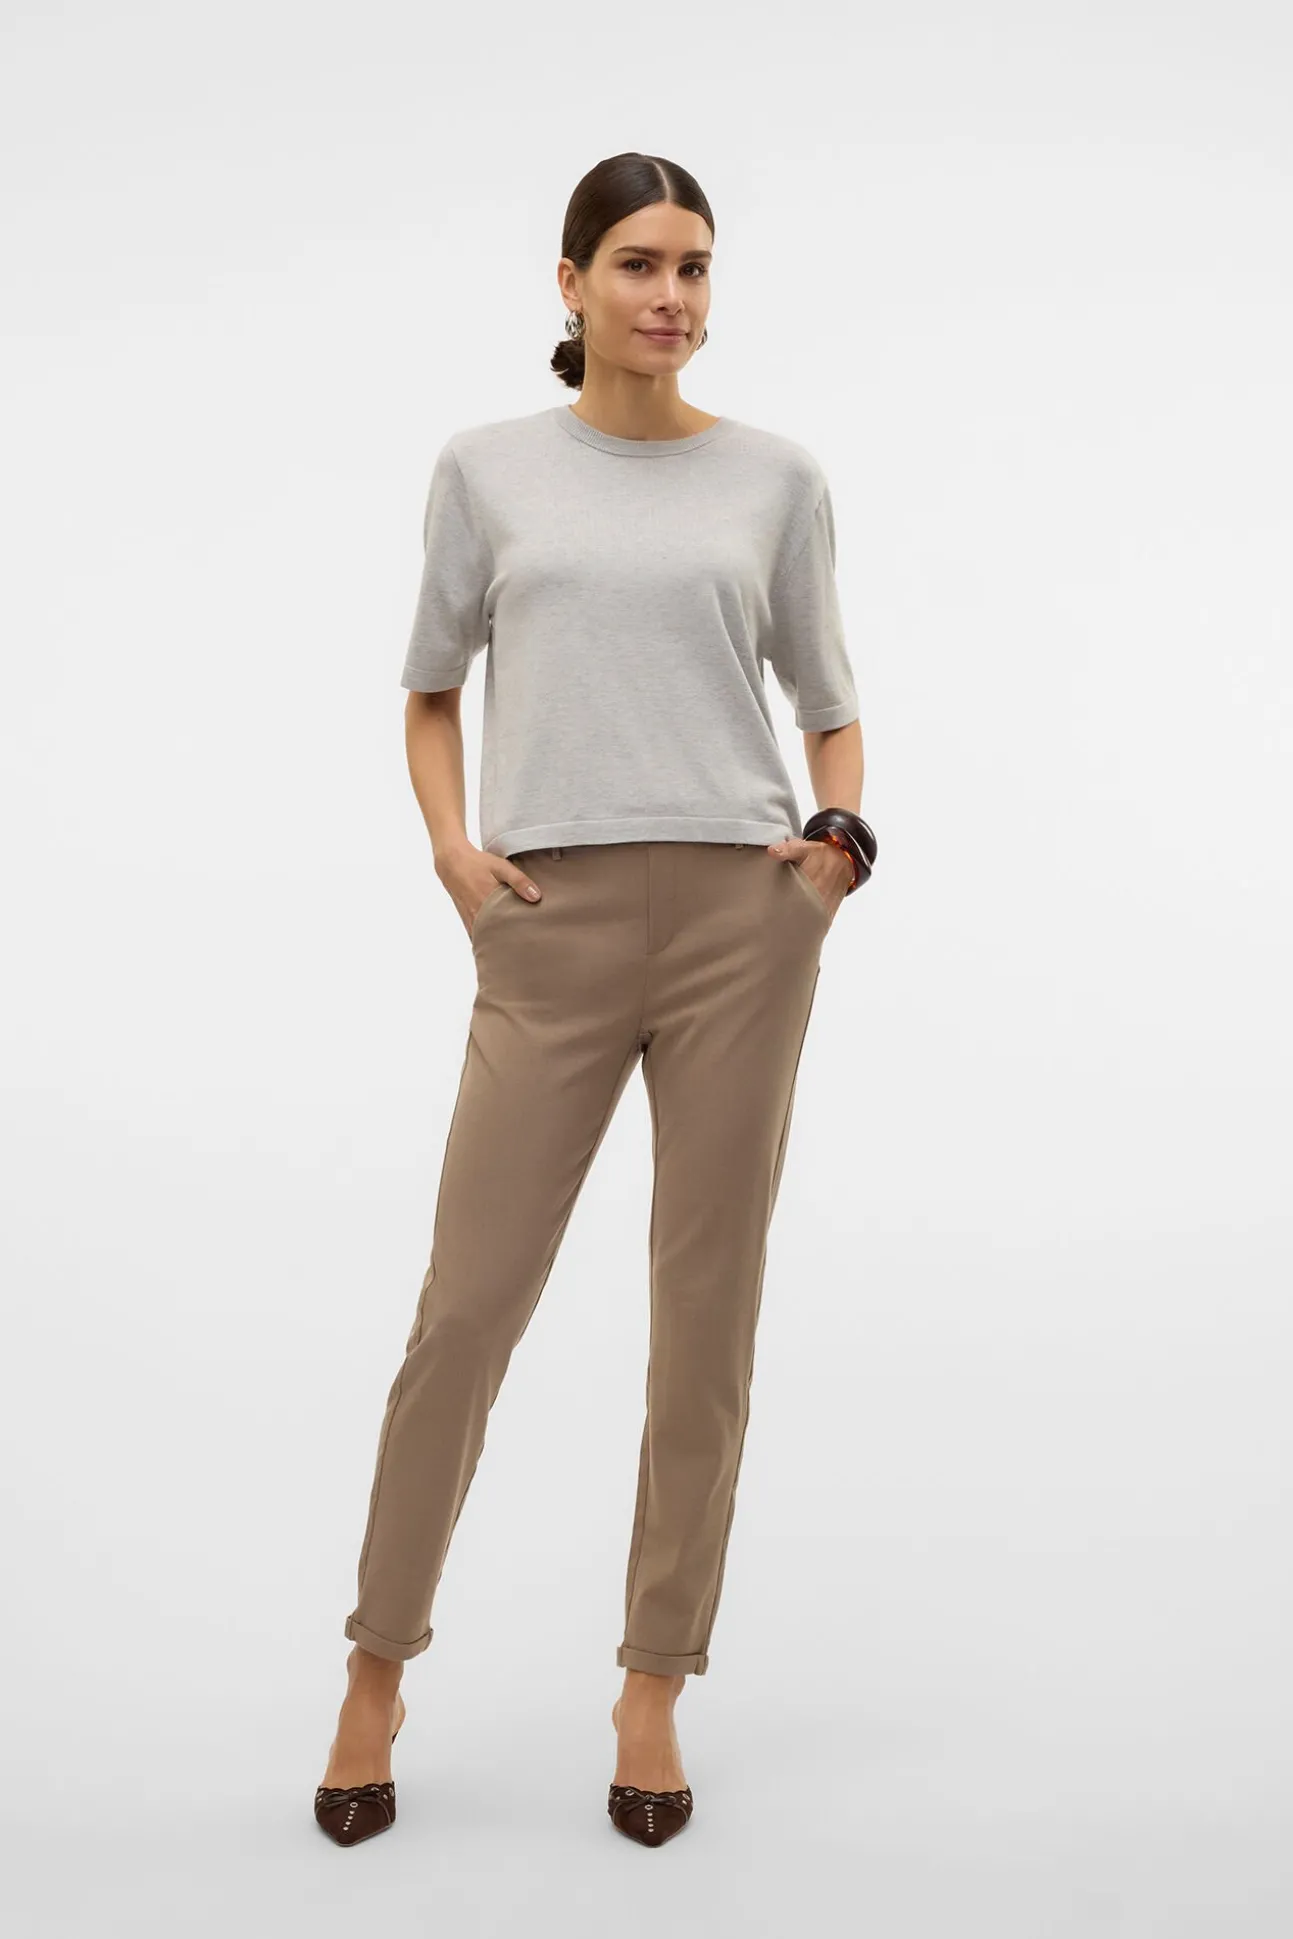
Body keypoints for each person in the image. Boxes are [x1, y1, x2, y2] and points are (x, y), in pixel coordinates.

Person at [314, 150, 874, 1851]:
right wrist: (451, 852)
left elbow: (830, 702)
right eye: (638, 262)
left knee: (705, 1319)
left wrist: (835, 847)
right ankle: (375, 1666)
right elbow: (430, 692)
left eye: (694, 265)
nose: (671, 295)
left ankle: (652, 1684)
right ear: (569, 283)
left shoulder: (775, 478)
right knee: (466, 1311)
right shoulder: (488, 471)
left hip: (738, 923)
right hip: (545, 930)